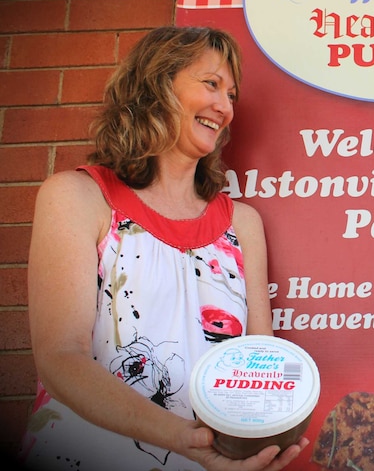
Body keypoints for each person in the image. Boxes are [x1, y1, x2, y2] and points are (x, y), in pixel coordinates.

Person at [19, 27, 308, 471]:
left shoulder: (242, 224)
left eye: (231, 94)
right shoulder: (76, 197)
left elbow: (256, 366)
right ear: (155, 85)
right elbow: (61, 357)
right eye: (211, 84)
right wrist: (185, 440)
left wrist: (262, 437)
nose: (226, 107)